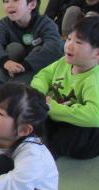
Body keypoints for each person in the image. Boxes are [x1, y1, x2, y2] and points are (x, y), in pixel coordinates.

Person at [31, 16, 99, 159]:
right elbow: (42, 76)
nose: (69, 45)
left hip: (87, 140)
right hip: (61, 116)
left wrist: (53, 107)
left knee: (80, 128)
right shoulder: (64, 62)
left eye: (78, 42)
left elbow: (95, 115)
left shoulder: (94, 79)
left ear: (97, 53)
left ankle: (46, 157)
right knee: (35, 113)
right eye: (69, 39)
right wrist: (39, 94)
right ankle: (32, 144)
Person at [0, 0, 63, 84]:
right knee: (13, 48)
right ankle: (3, 82)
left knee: (39, 49)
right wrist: (5, 62)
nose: (9, 5)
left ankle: (15, 84)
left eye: (15, 0)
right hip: (15, 66)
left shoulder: (46, 23)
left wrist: (25, 65)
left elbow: (54, 47)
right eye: (6, 1)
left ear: (32, 4)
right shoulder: (5, 23)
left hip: (36, 66)